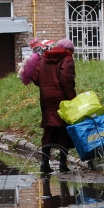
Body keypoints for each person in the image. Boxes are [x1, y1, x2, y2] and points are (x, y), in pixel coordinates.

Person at [32, 39, 76, 174]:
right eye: (72, 52)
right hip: (61, 97)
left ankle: (44, 163)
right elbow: (66, 80)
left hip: (46, 98)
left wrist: (46, 86)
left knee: (49, 127)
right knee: (63, 128)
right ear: (68, 50)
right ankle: (62, 164)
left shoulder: (43, 59)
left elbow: (35, 78)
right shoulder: (66, 59)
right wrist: (72, 99)